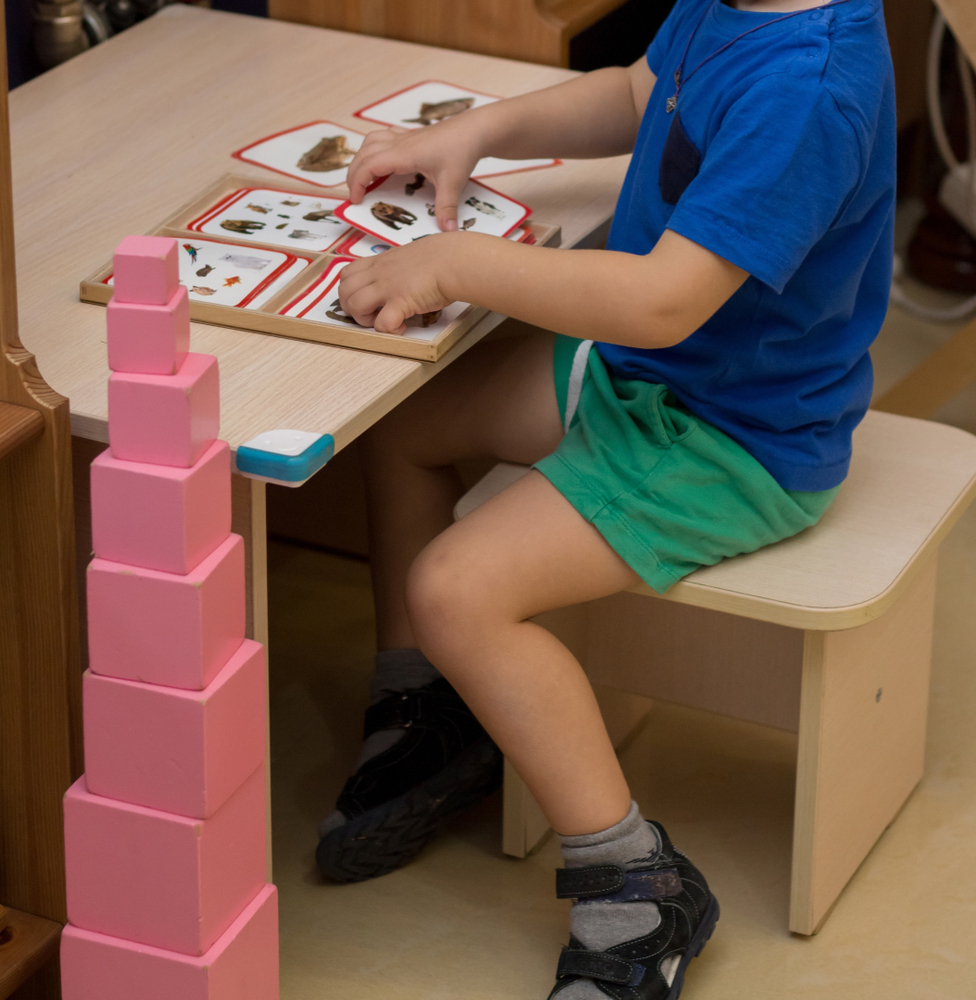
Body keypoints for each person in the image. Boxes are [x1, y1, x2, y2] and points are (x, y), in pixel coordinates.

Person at [318, 0, 895, 995]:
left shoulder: (805, 88)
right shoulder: (736, 8)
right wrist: (478, 131)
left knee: (456, 589)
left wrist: (456, 262)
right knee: (402, 429)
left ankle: (637, 886)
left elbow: (662, 302)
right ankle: (436, 710)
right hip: (648, 379)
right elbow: (637, 92)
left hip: (730, 437)